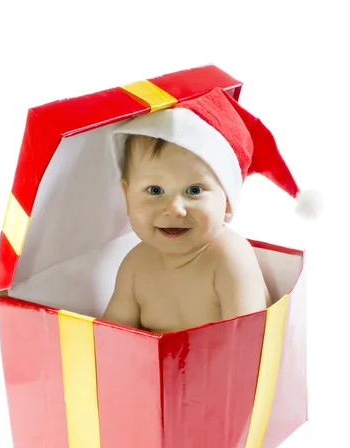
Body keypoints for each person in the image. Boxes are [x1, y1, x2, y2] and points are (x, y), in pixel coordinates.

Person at [103, 86, 321, 334]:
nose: (175, 209)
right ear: (127, 198)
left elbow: (246, 342)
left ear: (227, 202)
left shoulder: (229, 258)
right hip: (165, 371)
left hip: (231, 368)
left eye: (194, 191)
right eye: (154, 190)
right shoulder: (135, 266)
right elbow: (112, 338)